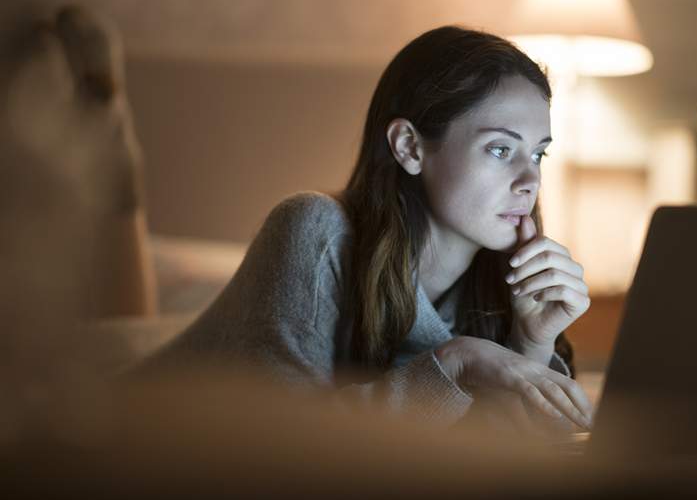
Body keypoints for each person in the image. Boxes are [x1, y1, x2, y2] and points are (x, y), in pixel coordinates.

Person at [142, 25, 593, 435]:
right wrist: (456, 362)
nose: (530, 180)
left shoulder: (500, 289)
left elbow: (495, 465)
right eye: (500, 150)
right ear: (409, 147)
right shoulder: (314, 231)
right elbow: (277, 444)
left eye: (538, 155)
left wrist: (531, 342)